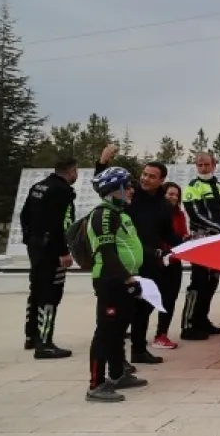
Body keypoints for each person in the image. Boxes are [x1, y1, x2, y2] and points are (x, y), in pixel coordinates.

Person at [96, 145, 176, 366]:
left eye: (151, 177)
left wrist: (187, 245)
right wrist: (102, 162)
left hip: (149, 262)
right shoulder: (129, 196)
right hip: (124, 263)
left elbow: (168, 233)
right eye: (144, 174)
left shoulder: (163, 205)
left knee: (144, 307)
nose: (145, 179)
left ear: (161, 180)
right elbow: (104, 185)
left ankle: (138, 350)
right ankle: (115, 360)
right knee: (122, 312)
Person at [86, 166, 149, 402]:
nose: (132, 190)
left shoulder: (120, 213)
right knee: (105, 331)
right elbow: (108, 252)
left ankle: (118, 373)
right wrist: (127, 278)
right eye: (128, 186)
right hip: (111, 280)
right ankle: (96, 384)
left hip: (124, 279)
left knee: (120, 328)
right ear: (116, 189)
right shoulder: (103, 214)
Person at [21, 157, 78, 358]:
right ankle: (45, 343)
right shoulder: (62, 191)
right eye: (75, 171)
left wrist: (29, 239)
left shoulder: (39, 186)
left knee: (36, 288)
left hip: (36, 245)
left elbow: (24, 215)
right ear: (71, 172)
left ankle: (31, 336)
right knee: (51, 294)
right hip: (52, 248)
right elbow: (62, 224)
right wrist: (63, 251)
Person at [179, 153, 220, 340]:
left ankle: (202, 319)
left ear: (214, 165)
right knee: (198, 282)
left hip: (219, 241)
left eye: (207, 164)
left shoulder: (219, 187)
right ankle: (188, 324)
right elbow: (195, 216)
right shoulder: (192, 188)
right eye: (199, 165)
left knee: (212, 281)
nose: (203, 168)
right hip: (202, 240)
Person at [151, 182, 187, 350]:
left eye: (176, 195)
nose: (173, 197)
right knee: (149, 300)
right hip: (156, 261)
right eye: (170, 194)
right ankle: (134, 331)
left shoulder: (180, 214)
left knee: (170, 299)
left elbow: (181, 236)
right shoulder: (155, 213)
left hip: (174, 261)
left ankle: (161, 334)